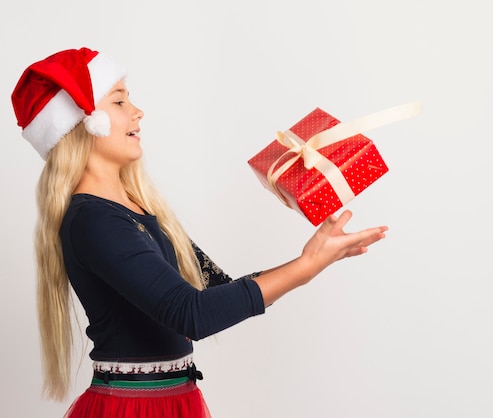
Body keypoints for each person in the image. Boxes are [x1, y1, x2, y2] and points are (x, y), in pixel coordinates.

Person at [11, 47, 388, 418]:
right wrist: (305, 267)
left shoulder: (135, 211)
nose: (138, 112)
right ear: (83, 122)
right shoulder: (95, 221)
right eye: (119, 101)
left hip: (171, 401)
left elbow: (216, 289)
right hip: (134, 409)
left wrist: (311, 255)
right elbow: (193, 316)